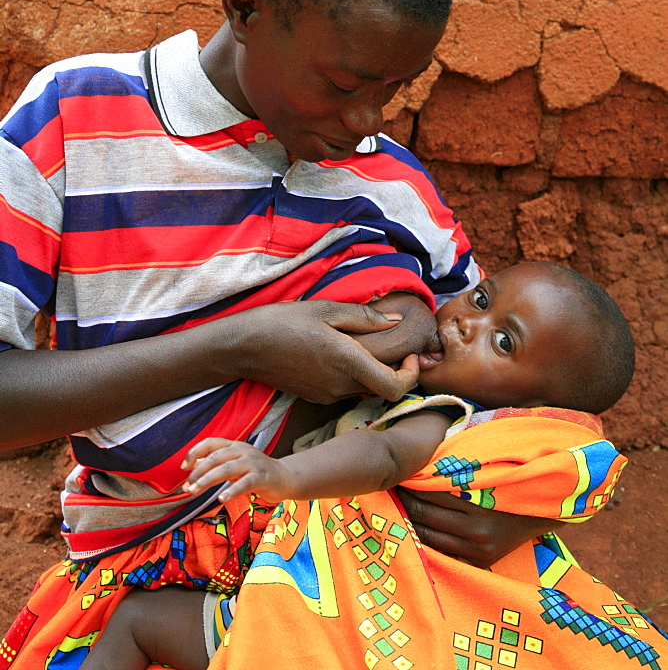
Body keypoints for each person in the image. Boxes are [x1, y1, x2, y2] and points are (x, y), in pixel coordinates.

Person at [0, 0, 555, 668]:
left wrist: (517, 507)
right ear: (244, 9)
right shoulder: (77, 125)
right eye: (341, 84)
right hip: (152, 588)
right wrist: (244, 345)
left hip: (360, 592)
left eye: (393, 90)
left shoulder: (394, 187)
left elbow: (504, 393)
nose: (366, 119)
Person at [76, 260, 645, 670]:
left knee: (138, 622)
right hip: (343, 614)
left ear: (530, 407)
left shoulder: (445, 418)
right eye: (481, 299)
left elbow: (382, 456)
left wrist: (280, 475)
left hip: (324, 620)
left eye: (502, 342)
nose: (469, 323)